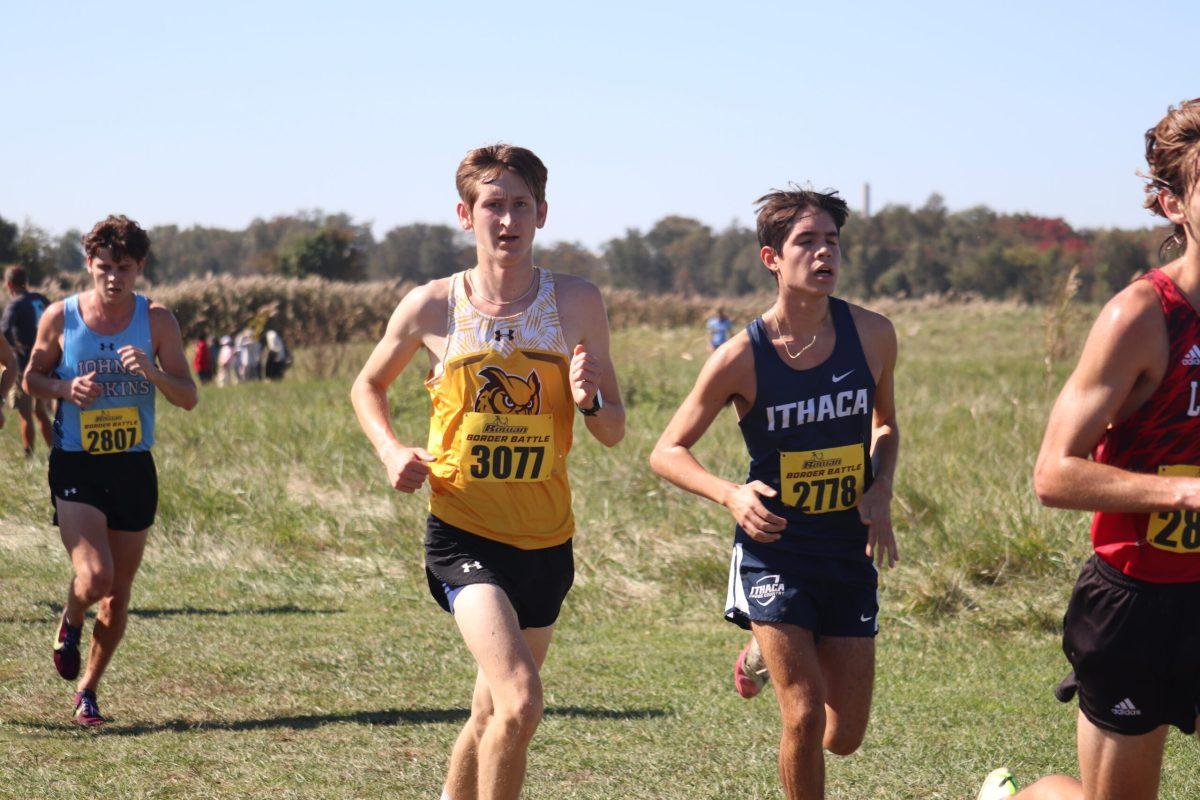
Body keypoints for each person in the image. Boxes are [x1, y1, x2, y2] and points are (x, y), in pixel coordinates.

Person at [351, 144, 624, 800]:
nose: (507, 219)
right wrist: (392, 451)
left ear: (543, 213)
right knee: (522, 704)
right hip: (464, 535)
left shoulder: (579, 302)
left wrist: (589, 399)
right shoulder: (433, 305)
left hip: (547, 541)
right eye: (493, 205)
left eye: (520, 205)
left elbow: (612, 429)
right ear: (464, 214)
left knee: (488, 715)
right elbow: (367, 387)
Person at [977, 99, 1200, 800]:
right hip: (1137, 603)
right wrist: (1182, 492)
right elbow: (1053, 475)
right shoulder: (1141, 317)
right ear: (1173, 204)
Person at [650, 186, 899, 800]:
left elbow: (885, 425)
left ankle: (757, 659)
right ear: (772, 258)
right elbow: (666, 451)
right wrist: (730, 494)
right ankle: (773, 646)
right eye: (805, 242)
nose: (823, 254)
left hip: (846, 548)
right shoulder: (741, 356)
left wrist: (881, 488)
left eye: (832, 241)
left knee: (844, 736)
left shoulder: (872, 335)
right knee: (805, 715)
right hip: (775, 548)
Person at [23, 215, 197, 727]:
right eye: (103, 268)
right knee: (94, 576)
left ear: (140, 267)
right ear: (89, 266)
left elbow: (188, 396)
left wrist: (154, 372)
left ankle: (87, 692)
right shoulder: (61, 316)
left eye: (124, 267)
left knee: (118, 594)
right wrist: (62, 390)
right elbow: (31, 377)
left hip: (133, 465)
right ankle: (71, 614)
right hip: (76, 459)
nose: (113, 278)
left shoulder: (158, 321)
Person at [2, 265, 53, 455]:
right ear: (26, 281)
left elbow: (4, 331)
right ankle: (55, 450)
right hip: (45, 363)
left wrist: (12, 350)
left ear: (9, 285)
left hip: (24, 365)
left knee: (26, 413)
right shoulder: (41, 299)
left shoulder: (15, 304)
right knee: (40, 412)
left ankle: (28, 456)